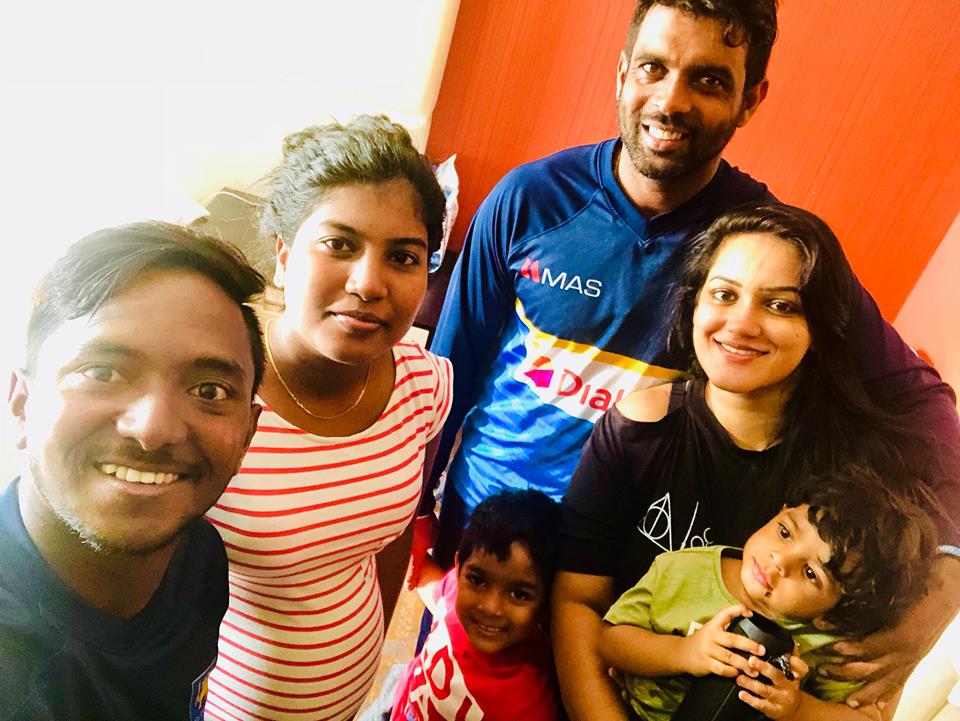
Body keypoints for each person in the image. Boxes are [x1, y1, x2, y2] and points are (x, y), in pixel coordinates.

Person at [418, 0, 960, 711]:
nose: (671, 101)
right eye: (653, 67)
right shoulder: (530, 200)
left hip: (627, 582)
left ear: (750, 99)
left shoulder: (764, 251)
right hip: (490, 543)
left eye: (708, 79)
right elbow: (444, 377)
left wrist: (948, 571)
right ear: (622, 72)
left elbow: (922, 403)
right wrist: (416, 526)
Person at [553, 203, 960, 721]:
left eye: (781, 305)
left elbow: (865, 692)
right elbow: (579, 603)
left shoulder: (858, 481)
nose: (741, 323)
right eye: (724, 294)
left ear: (820, 328)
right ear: (694, 304)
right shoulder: (639, 430)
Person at [202, 114, 453, 721]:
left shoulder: (423, 384)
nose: (369, 284)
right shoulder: (216, 395)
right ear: (284, 257)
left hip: (348, 691)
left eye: (403, 256)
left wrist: (378, 636)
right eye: (339, 245)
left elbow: (393, 535)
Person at [0, 222, 264, 720]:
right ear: (21, 403)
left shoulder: (198, 555)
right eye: (101, 372)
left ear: (247, 434)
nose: (153, 429)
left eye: (209, 391)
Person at [600, 468, 939, 721]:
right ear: (780, 510)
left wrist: (800, 709)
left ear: (831, 614)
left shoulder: (826, 646)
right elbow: (610, 642)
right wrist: (683, 652)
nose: (780, 559)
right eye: (785, 532)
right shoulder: (683, 569)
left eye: (810, 573)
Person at [384, 489, 560, 721]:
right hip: (400, 703)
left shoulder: (529, 705)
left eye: (519, 594)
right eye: (477, 580)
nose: (490, 607)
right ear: (458, 568)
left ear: (546, 606)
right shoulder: (456, 590)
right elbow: (435, 590)